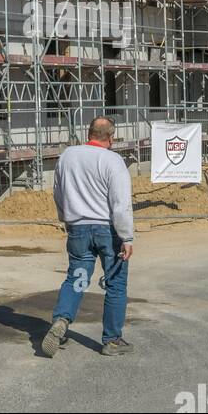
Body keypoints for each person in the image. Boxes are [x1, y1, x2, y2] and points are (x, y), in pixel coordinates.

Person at [42, 116, 134, 358]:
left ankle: (61, 320)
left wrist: (66, 217)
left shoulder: (68, 156)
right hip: (107, 232)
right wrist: (127, 237)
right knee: (115, 284)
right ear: (111, 138)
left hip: (78, 229)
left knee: (77, 279)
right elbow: (120, 203)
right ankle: (112, 340)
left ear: (89, 132)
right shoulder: (113, 161)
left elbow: (58, 191)